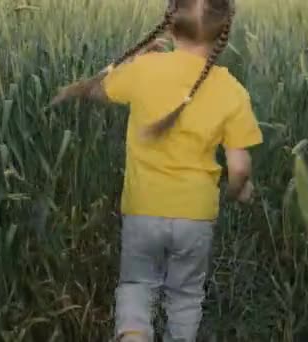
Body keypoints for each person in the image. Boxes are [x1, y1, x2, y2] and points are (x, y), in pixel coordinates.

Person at [50, 0, 262, 341]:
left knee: (137, 286)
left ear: (170, 26)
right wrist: (239, 190)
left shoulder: (145, 70)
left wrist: (134, 60)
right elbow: (239, 167)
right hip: (195, 217)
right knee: (185, 297)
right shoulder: (232, 90)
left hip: (142, 209)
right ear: (225, 32)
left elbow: (97, 91)